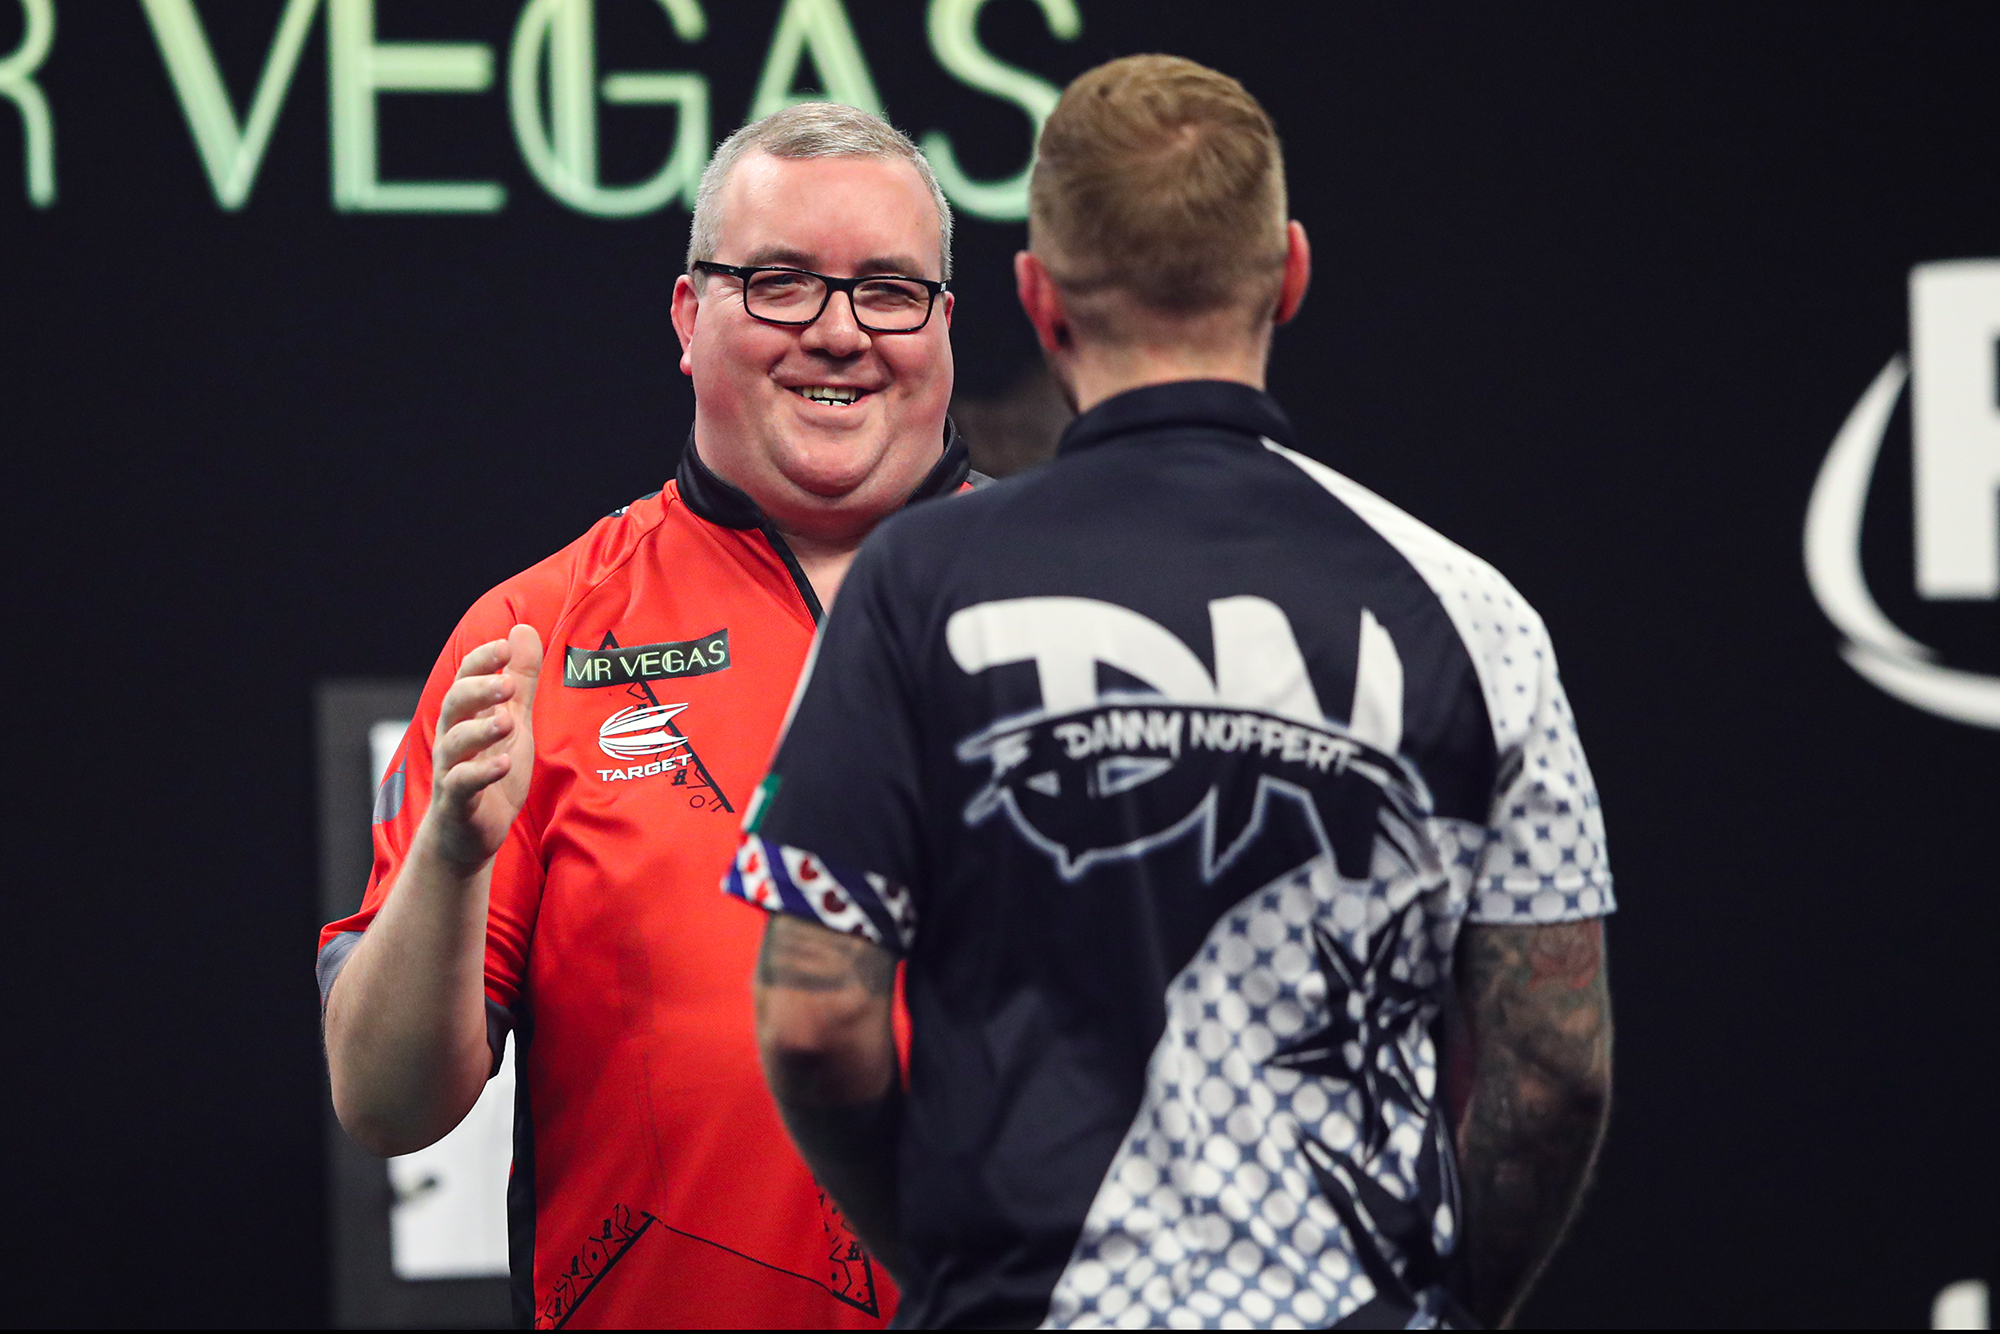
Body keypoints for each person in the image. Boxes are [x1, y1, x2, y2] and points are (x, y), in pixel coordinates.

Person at [728, 56, 1614, 1329]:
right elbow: (1554, 1070)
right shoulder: (1475, 614)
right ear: (1288, 274)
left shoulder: (916, 583)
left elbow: (814, 1017)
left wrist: (952, 1274)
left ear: (1037, 298)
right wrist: (1441, 1304)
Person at [318, 102, 972, 1329]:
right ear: (687, 313)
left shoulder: (1081, 611)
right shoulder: (536, 631)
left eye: (889, 291)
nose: (839, 332)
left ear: (944, 322)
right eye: (780, 283)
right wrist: (452, 854)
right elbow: (385, 1102)